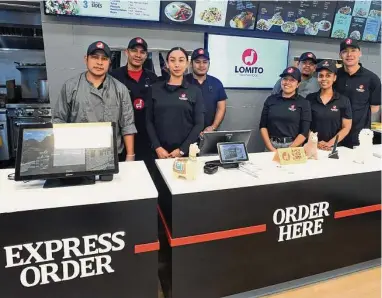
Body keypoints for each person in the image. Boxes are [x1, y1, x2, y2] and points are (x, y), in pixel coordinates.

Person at [53, 41, 137, 162]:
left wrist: (130, 156)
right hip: (79, 154)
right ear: (86, 59)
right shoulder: (71, 86)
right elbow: (59, 120)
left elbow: (127, 124)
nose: (99, 62)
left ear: (109, 63)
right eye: (94, 57)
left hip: (111, 155)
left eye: (104, 59)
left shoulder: (120, 89)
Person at [146, 47, 204, 159]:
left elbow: (199, 124)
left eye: (181, 60)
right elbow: (148, 121)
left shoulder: (195, 91)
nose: (177, 65)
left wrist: (182, 150)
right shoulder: (154, 89)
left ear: (187, 64)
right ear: (167, 64)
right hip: (159, 153)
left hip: (185, 154)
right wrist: (157, 147)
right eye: (172, 60)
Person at [111, 37, 157, 162]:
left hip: (147, 138)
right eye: (134, 51)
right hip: (121, 138)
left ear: (146, 55)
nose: (138, 55)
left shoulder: (153, 78)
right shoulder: (114, 77)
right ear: (127, 52)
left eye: (142, 52)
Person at [335, 38, 381, 148]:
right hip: (334, 134)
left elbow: (374, 108)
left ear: (360, 53)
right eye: (345, 51)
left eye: (353, 50)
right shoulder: (335, 76)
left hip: (358, 137)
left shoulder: (372, 79)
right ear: (340, 55)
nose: (349, 54)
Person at [260, 67, 311, 151]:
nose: (287, 82)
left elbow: (304, 132)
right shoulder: (271, 99)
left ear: (298, 84)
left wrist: (288, 150)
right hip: (271, 145)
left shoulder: (304, 103)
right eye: (285, 79)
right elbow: (263, 126)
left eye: (292, 80)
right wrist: (270, 147)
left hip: (293, 146)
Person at [306, 60, 352, 151]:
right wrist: (316, 142)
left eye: (328, 75)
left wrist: (329, 143)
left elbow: (346, 127)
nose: (324, 79)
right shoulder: (309, 98)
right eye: (321, 76)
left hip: (334, 148)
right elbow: (305, 125)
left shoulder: (343, 100)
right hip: (312, 147)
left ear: (334, 78)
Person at [185, 48, 227, 132]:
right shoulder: (183, 81)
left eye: (205, 62)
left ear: (209, 64)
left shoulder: (217, 83)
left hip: (208, 134)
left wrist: (213, 127)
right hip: (185, 134)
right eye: (197, 62)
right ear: (191, 64)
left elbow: (221, 108)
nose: (201, 65)